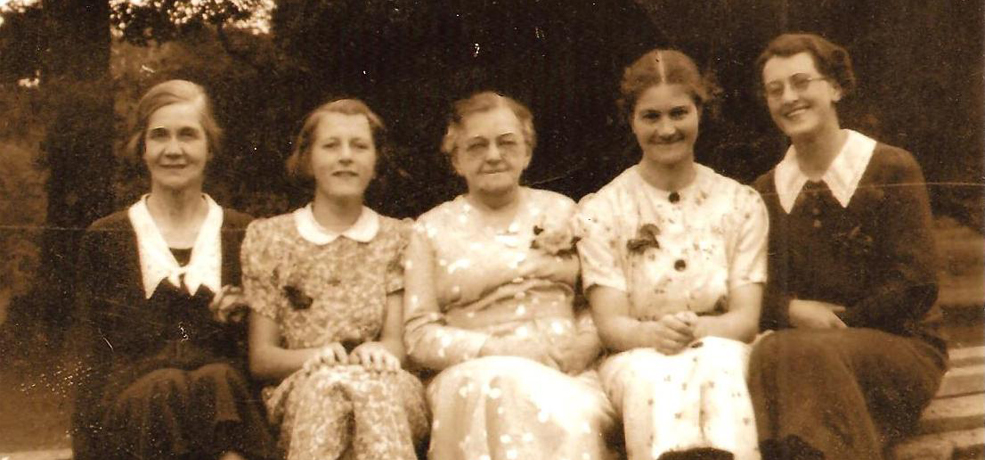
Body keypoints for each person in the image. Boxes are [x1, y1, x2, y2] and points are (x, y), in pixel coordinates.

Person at [747, 33, 946, 460]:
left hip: (899, 353)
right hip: (804, 359)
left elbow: (914, 284)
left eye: (802, 82)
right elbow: (753, 285)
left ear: (836, 87)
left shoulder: (891, 167)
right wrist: (793, 311)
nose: (789, 98)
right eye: (775, 89)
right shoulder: (765, 191)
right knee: (771, 353)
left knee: (793, 351)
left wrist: (836, 324)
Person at [403, 91, 617, 460]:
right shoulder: (431, 229)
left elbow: (596, 300)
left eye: (506, 143)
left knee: (574, 412)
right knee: (500, 382)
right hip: (473, 373)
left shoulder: (563, 211)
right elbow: (419, 335)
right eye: (476, 146)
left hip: (565, 371)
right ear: (456, 160)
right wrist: (492, 350)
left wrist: (585, 343)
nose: (493, 155)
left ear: (527, 152)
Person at [576, 49, 768, 460]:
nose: (666, 129)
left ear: (700, 110)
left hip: (723, 347)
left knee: (721, 366)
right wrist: (653, 335)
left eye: (679, 113)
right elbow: (611, 325)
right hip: (635, 357)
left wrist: (694, 331)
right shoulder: (602, 210)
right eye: (651, 116)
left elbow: (745, 319)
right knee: (655, 376)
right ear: (631, 119)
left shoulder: (741, 203)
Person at [71, 79, 277, 460]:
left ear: (209, 147)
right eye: (160, 136)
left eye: (188, 135)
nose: (174, 150)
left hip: (229, 419)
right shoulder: (107, 238)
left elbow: (264, 356)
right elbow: (92, 366)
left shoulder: (247, 234)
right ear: (143, 147)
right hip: (136, 425)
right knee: (163, 388)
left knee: (217, 379)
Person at [242, 99, 428, 460]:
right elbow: (261, 357)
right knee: (327, 388)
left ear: (376, 162)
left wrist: (379, 352)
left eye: (359, 146)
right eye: (331, 145)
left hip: (387, 387)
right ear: (307, 159)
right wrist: (316, 358)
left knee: (373, 391)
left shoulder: (399, 237)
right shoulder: (270, 239)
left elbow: (397, 345)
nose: (346, 156)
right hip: (302, 389)